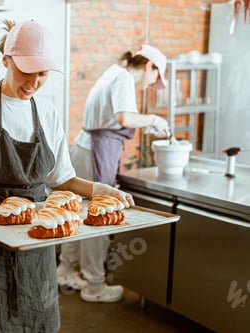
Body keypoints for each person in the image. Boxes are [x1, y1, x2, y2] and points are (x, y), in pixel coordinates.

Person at [0, 19, 135, 332]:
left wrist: (100, 189)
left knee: (38, 315)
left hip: (41, 230)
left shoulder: (48, 112)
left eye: (42, 74)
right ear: (6, 61)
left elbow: (63, 179)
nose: (34, 82)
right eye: (26, 72)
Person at [56, 45, 170, 303]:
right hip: (96, 151)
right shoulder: (125, 78)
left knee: (79, 211)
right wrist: (152, 119)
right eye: (155, 78)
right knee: (98, 215)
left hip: (84, 147)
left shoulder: (112, 72)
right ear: (149, 66)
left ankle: (65, 269)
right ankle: (95, 285)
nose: (152, 85)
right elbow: (124, 118)